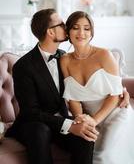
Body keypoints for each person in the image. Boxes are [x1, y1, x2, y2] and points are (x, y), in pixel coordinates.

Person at [5, 9, 99, 164]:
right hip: (32, 124)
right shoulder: (23, 66)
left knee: (86, 136)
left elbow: (89, 81)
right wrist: (69, 125)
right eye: (61, 24)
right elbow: (31, 112)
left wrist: (120, 91)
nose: (66, 26)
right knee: (40, 131)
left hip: (59, 121)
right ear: (50, 32)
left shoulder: (66, 57)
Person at [60, 11, 134, 164]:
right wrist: (80, 119)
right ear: (68, 32)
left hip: (115, 112)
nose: (81, 33)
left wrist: (94, 120)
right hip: (89, 118)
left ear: (92, 32)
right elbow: (72, 97)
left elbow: (115, 94)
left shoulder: (104, 55)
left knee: (103, 155)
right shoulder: (65, 60)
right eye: (76, 28)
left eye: (87, 28)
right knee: (88, 154)